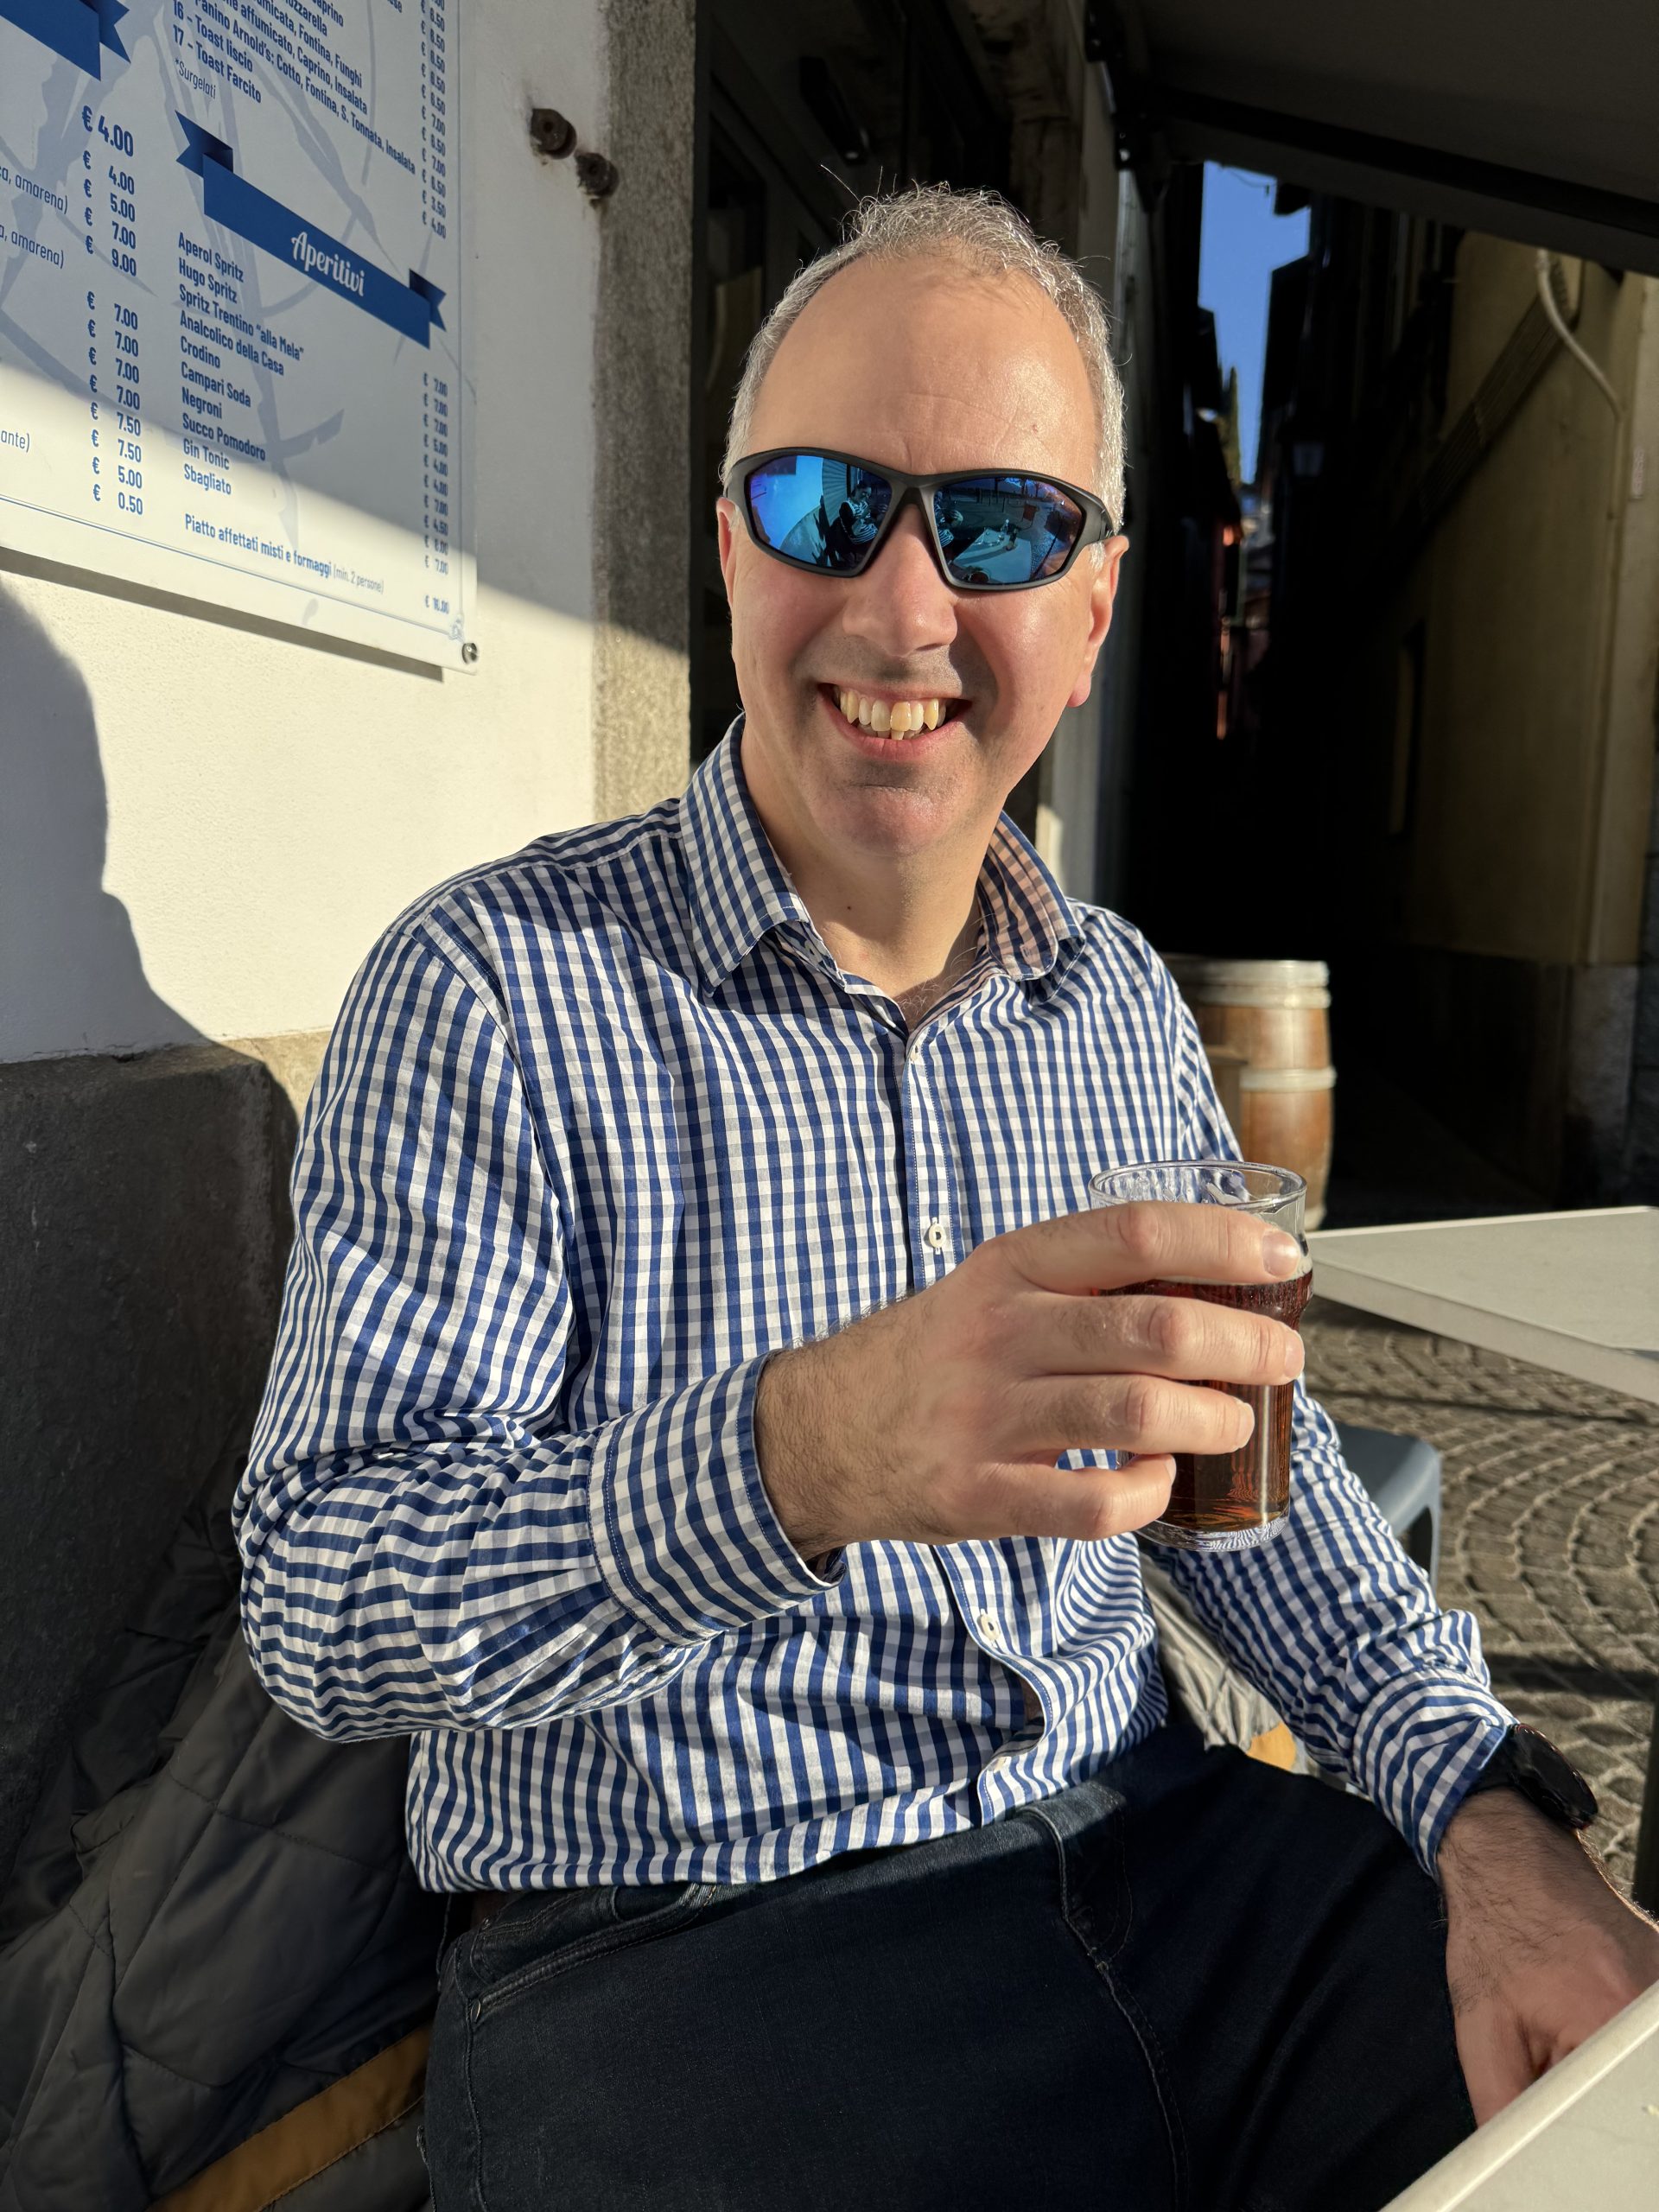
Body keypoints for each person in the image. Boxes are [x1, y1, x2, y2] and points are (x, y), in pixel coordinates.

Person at [234, 188, 1659, 2212]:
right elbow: (323, 1601)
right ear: (730, 544)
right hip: (687, 1952)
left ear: (1091, 609)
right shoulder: (493, 990)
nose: (903, 609)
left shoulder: (1121, 1009)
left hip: (1170, 1857)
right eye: (827, 505)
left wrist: (1487, 1812)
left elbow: (1251, 1485)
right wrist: (801, 1453)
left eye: (998, 526)